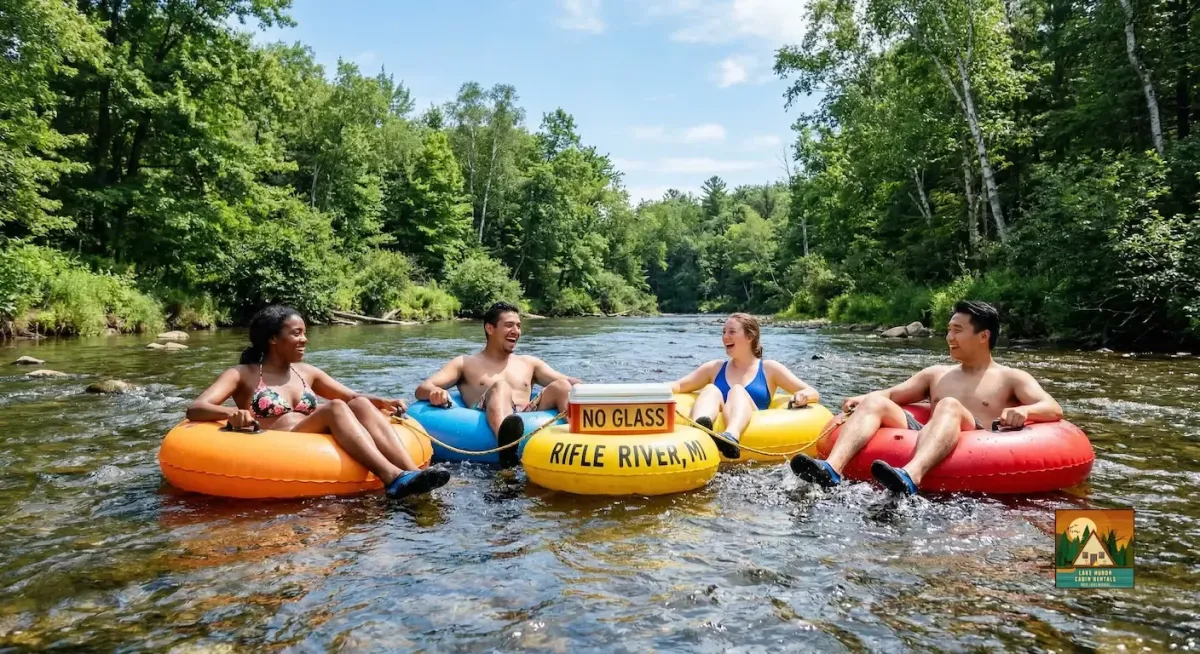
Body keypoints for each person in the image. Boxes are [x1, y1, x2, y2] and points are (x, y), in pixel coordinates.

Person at [790, 300, 1064, 495]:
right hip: (928, 432)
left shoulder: (1011, 377)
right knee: (874, 400)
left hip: (979, 438)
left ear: (984, 336)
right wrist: (863, 397)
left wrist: (1026, 412)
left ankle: (910, 476)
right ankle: (831, 470)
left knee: (948, 405)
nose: (949, 337)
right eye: (948, 330)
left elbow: (1052, 407)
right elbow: (891, 394)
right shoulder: (936, 374)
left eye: (958, 330)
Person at [186, 305, 450, 499]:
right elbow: (196, 408)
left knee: (358, 404)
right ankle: (392, 477)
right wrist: (232, 412)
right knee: (335, 407)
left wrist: (382, 401)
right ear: (273, 338)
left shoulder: (307, 372)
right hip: (277, 442)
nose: (304, 339)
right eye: (297, 333)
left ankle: (414, 472)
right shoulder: (242, 374)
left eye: (304, 332)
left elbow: (351, 397)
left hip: (310, 435)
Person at [414, 302, 580, 463]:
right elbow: (423, 388)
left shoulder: (529, 363)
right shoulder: (465, 363)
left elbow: (567, 381)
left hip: (528, 412)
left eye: (518, 326)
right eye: (509, 325)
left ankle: (582, 441)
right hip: (485, 413)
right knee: (501, 386)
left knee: (562, 386)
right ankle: (507, 446)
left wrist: (593, 389)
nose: (516, 331)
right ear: (490, 328)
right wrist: (435, 392)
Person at [670, 313, 821, 459]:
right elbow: (678, 385)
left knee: (737, 390)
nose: (725, 337)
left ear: (750, 337)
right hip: (714, 426)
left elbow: (812, 391)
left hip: (755, 427)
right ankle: (699, 433)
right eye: (723, 332)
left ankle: (731, 438)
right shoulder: (713, 368)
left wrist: (804, 396)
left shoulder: (770, 369)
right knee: (710, 389)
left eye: (732, 332)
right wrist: (650, 391)